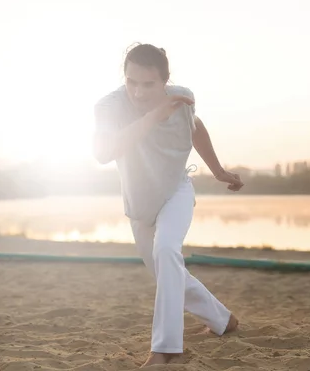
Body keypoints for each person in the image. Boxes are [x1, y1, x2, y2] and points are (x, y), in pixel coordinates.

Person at [92, 43, 243, 367]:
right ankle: (223, 320)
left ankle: (166, 349)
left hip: (176, 190)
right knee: (168, 272)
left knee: (167, 253)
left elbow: (195, 125)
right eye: (132, 82)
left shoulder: (181, 97)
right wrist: (151, 117)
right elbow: (104, 152)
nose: (139, 91)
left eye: (148, 84)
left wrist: (218, 171)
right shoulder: (108, 106)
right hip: (139, 205)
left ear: (165, 81)